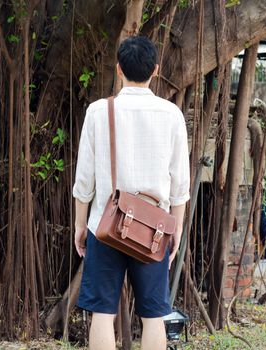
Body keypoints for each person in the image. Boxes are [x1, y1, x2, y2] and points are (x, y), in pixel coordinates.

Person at [72, 36, 190, 350]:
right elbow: (180, 186)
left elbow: (84, 181)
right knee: (154, 315)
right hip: (153, 231)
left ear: (118, 68)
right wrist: (174, 229)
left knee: (102, 312)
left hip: (105, 225)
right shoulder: (171, 115)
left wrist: (81, 226)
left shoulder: (98, 112)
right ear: (155, 69)